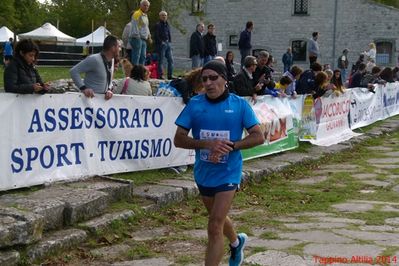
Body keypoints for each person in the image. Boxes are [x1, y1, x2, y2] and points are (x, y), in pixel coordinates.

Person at [174, 60, 264, 266]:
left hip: (229, 172)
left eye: (214, 78)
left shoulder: (239, 105)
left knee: (214, 225)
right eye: (204, 79)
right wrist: (207, 143)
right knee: (218, 218)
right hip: (204, 172)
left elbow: (258, 136)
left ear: (225, 79)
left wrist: (232, 146)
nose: (208, 83)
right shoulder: (195, 105)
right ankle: (236, 242)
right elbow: (178, 139)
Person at [70, 35, 120, 100]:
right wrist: (84, 88)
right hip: (88, 102)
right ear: (113, 48)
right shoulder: (94, 59)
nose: (120, 49)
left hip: (101, 103)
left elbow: (109, 79)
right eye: (119, 46)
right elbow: (73, 71)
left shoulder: (112, 60)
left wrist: (109, 90)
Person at [129, 0, 152, 65]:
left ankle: (141, 73)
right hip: (137, 38)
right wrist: (137, 37)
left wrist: (149, 37)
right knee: (136, 57)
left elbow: (146, 27)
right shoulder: (137, 14)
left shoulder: (145, 15)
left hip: (143, 39)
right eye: (144, 5)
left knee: (143, 57)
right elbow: (134, 26)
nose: (146, 7)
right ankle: (135, 74)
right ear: (140, 5)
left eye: (147, 6)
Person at [154, 11, 174, 80]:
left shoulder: (167, 24)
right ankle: (161, 75)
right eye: (162, 15)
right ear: (160, 16)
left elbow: (168, 33)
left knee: (171, 60)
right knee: (161, 61)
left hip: (168, 43)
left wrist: (170, 41)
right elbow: (156, 35)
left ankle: (170, 75)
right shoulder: (158, 24)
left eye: (165, 15)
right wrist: (161, 42)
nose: (164, 17)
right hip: (161, 45)